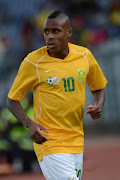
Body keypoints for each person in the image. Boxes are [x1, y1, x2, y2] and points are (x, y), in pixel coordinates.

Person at [6, 10, 108, 180]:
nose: (49, 36)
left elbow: (98, 87)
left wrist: (99, 105)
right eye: (46, 31)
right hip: (49, 140)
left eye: (56, 31)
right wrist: (29, 124)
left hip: (76, 139)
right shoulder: (33, 62)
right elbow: (12, 100)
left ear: (68, 33)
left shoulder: (84, 55)